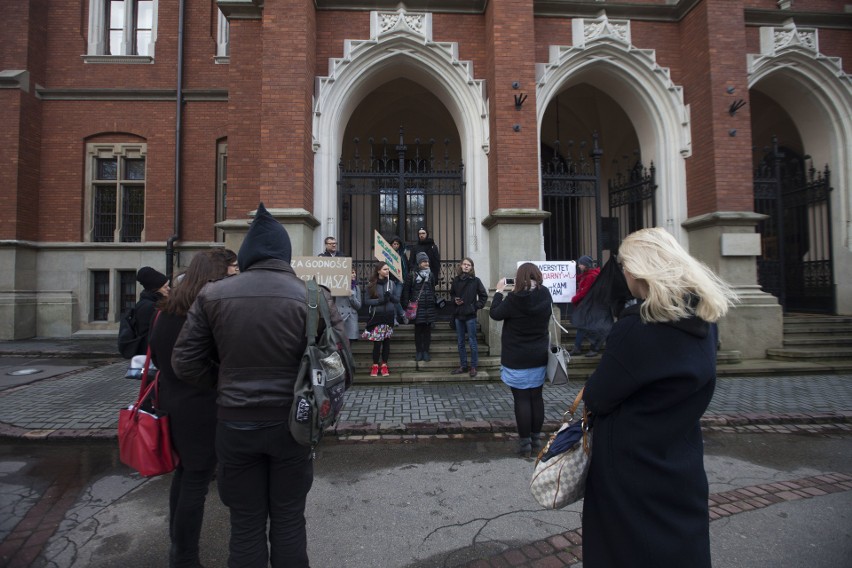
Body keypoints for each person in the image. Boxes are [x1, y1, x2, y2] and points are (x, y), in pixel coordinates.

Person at [171, 203, 347, 568]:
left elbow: (184, 362)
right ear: (285, 255)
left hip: (234, 422)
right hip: (294, 423)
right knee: (288, 519)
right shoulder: (314, 296)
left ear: (248, 254)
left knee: (246, 524)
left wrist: (223, 383)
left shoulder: (212, 294)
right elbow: (341, 365)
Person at [581, 227, 738, 568]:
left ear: (638, 270)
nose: (622, 274)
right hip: (680, 458)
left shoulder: (637, 328)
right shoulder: (704, 322)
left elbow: (596, 397)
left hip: (629, 468)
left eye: (624, 266)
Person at [148, 250, 231, 568]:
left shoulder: (168, 308)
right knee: (196, 479)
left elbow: (157, 356)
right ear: (215, 274)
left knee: (184, 476)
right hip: (199, 405)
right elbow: (209, 359)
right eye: (231, 269)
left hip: (172, 401)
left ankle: (177, 545)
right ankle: (184, 557)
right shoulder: (204, 310)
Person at [488, 262, 553, 457]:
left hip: (516, 357)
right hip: (538, 355)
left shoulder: (514, 298)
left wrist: (499, 291)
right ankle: (536, 440)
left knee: (521, 399)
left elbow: (495, 313)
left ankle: (525, 444)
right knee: (536, 398)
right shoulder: (545, 294)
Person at [449, 257, 488, 377]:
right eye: (464, 264)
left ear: (471, 267)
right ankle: (463, 365)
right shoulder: (456, 280)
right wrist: (455, 300)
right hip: (458, 315)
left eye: (469, 265)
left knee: (472, 342)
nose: (466, 266)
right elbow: (452, 294)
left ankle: (474, 367)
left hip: (470, 315)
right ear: (461, 266)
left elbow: (484, 296)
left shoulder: (475, 281)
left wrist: (475, 307)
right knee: (460, 342)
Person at [363, 261, 399, 376]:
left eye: (388, 269)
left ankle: (384, 365)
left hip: (388, 316)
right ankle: (375, 366)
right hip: (377, 317)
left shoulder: (391, 284)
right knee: (377, 343)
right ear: (378, 271)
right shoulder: (371, 284)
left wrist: (391, 297)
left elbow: (397, 300)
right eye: (384, 269)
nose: (387, 271)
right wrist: (379, 301)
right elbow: (366, 301)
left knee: (387, 342)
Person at [402, 252, 438, 362]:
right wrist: (406, 306)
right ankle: (419, 351)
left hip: (429, 307)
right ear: (419, 263)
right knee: (418, 331)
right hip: (417, 308)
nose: (426, 263)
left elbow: (432, 289)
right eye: (423, 261)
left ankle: (426, 351)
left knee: (427, 331)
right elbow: (406, 291)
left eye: (427, 261)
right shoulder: (412, 275)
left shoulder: (431, 275)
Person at [570, 255, 602, 357]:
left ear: (585, 265)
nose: (579, 266)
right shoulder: (588, 274)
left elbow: (584, 292)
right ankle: (578, 347)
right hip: (588, 305)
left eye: (581, 264)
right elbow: (578, 278)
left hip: (590, 305)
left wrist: (573, 299)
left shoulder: (590, 276)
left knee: (589, 327)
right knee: (583, 326)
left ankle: (594, 348)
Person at [133, 266, 171, 355]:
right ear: (156, 289)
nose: (169, 289)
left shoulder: (150, 302)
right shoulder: (149, 306)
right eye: (165, 287)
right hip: (149, 354)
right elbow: (152, 334)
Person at [336, 268, 363, 341]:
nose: (354, 274)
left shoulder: (356, 288)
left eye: (354, 272)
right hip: (340, 318)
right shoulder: (337, 286)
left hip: (351, 318)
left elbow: (358, 306)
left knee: (349, 342)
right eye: (352, 272)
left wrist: (351, 296)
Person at [389, 235, 409, 324]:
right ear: (391, 245)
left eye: (397, 244)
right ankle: (398, 316)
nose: (396, 245)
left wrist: (404, 278)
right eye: (394, 244)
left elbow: (406, 267)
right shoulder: (387, 253)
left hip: (399, 280)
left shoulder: (402, 255)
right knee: (392, 299)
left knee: (396, 298)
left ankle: (399, 316)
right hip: (390, 280)